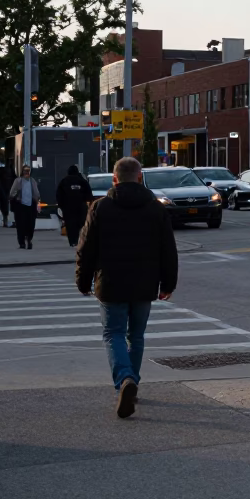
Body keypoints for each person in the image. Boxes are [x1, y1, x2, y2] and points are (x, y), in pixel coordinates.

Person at [76, 156, 178, 419]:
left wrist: (83, 280)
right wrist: (168, 283)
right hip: (145, 283)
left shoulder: (100, 207)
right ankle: (132, 382)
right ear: (140, 177)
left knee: (114, 333)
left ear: (114, 178)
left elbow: (86, 249)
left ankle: (124, 379)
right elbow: (168, 249)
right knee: (137, 336)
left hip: (110, 283)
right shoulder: (156, 209)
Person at [55, 164, 94, 247]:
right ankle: (79, 240)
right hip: (80, 207)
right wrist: (87, 202)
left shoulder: (64, 181)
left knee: (70, 225)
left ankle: (72, 241)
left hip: (68, 207)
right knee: (80, 223)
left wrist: (61, 205)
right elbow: (89, 193)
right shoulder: (82, 181)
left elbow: (59, 194)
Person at [8, 165, 42, 250]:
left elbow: (36, 193)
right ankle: (22, 243)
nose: (27, 172)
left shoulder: (32, 181)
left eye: (28, 171)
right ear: (22, 172)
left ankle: (29, 239)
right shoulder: (18, 181)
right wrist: (17, 195)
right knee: (20, 225)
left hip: (31, 205)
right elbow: (12, 193)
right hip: (20, 206)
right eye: (25, 171)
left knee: (31, 224)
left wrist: (37, 199)